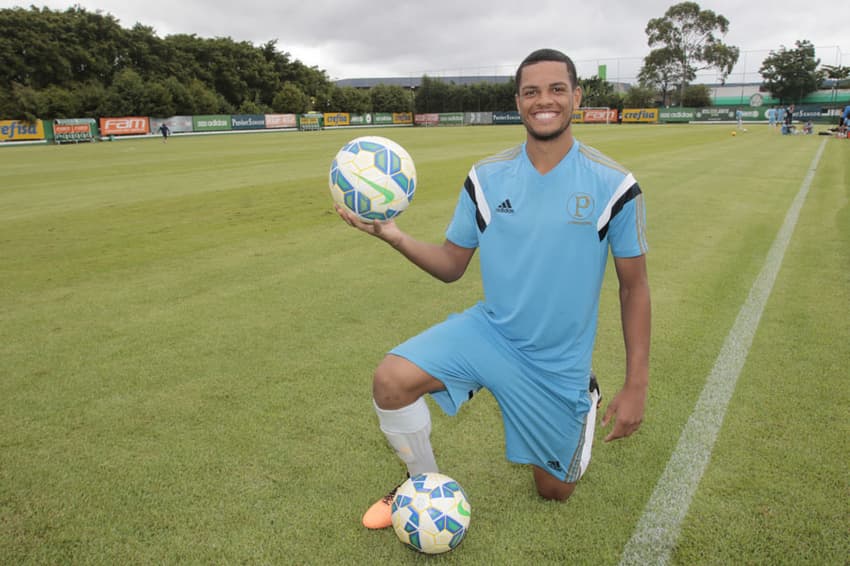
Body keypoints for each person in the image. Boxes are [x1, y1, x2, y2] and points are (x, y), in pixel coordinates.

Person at [336, 48, 651, 530]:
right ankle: (421, 486)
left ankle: (580, 400)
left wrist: (636, 385)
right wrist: (393, 235)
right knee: (391, 380)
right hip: (491, 334)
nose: (543, 101)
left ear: (577, 98)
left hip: (555, 363)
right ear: (518, 101)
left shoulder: (614, 186)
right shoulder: (485, 179)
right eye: (531, 92)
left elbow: (634, 289)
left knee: (554, 493)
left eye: (556, 89)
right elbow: (450, 266)